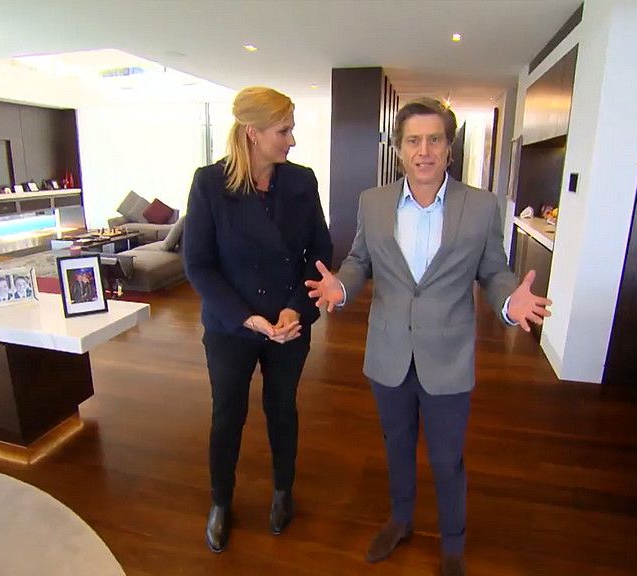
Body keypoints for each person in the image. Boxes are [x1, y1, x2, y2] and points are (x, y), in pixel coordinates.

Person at [306, 97, 551, 576]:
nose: (424, 151)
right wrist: (343, 285)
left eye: (434, 139)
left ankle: (453, 544)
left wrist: (509, 301)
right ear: (399, 149)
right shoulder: (373, 202)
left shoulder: (480, 206)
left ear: (448, 148)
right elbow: (359, 260)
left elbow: (494, 271)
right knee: (397, 448)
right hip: (389, 353)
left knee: (445, 459)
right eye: (413, 141)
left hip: (448, 356)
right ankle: (401, 521)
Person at [183, 86, 333, 553]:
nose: (292, 140)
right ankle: (221, 502)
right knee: (227, 414)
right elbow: (198, 265)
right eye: (283, 131)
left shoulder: (302, 181)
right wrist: (245, 317)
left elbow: (320, 252)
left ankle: (283, 492)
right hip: (232, 326)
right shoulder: (210, 184)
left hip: (288, 324)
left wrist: (296, 307)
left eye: (291, 129)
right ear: (253, 133)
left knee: (282, 408)